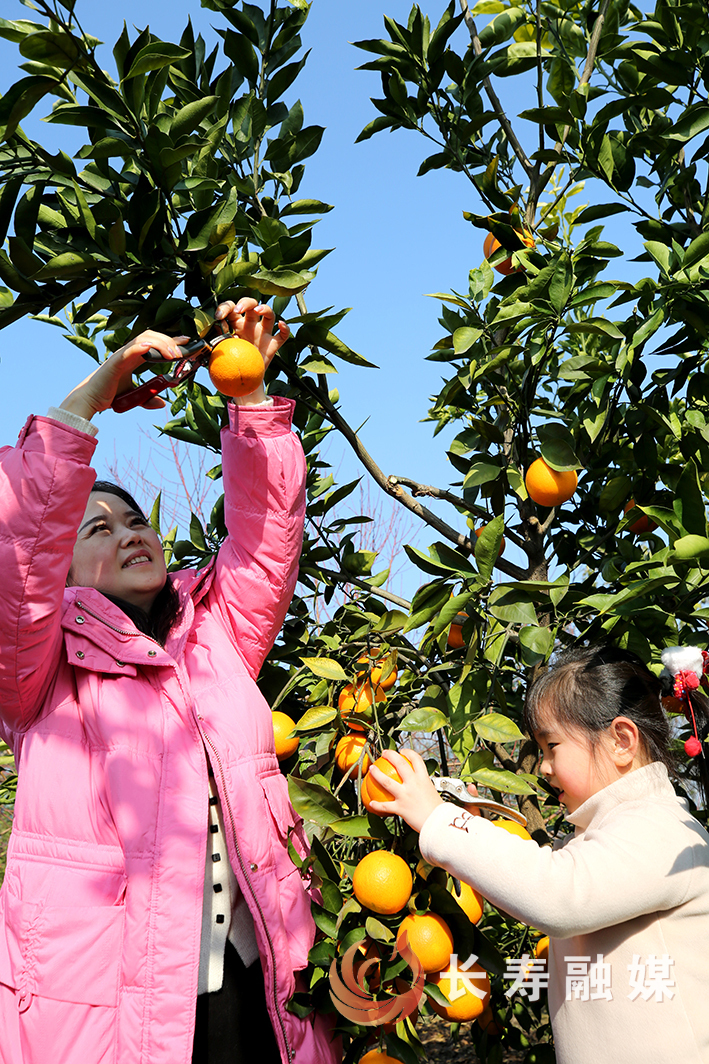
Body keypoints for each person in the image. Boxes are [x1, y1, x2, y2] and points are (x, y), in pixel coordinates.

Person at [0, 299, 339, 1064]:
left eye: (134, 520)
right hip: (111, 999)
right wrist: (91, 395)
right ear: (62, 565)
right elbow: (17, 550)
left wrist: (249, 398)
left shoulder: (214, 631)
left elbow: (266, 540)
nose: (129, 533)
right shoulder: (38, 667)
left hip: (256, 981)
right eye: (98, 528)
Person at [368, 644, 709, 1064]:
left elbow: (556, 892)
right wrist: (476, 829)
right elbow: (546, 876)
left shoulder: (663, 831)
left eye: (551, 747)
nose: (544, 767)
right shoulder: (612, 834)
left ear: (621, 741)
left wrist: (439, 820)